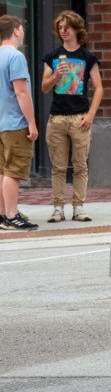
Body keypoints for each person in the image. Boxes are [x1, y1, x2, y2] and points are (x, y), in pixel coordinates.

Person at [39, 10, 103, 223]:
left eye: (66, 27)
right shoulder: (52, 57)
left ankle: (79, 207)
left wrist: (91, 114)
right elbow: (44, 87)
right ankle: (58, 208)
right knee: (57, 167)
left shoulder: (88, 57)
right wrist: (57, 75)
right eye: (59, 27)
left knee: (80, 165)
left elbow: (99, 88)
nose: (63, 31)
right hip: (57, 118)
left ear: (77, 28)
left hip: (80, 118)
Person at [0, 15, 39, 231]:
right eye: (22, 28)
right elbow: (21, 92)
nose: (23, 32)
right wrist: (31, 123)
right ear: (15, 30)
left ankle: (2, 214)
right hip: (15, 123)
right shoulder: (15, 57)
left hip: (1, 122)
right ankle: (12, 216)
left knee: (2, 171)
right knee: (14, 172)